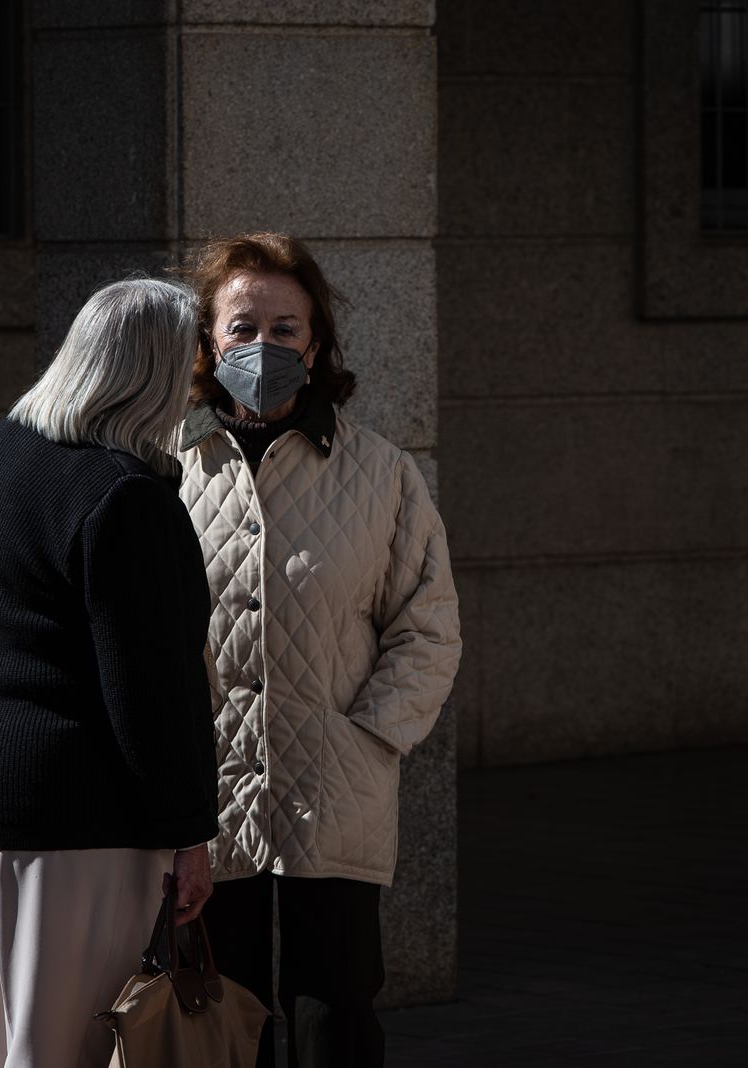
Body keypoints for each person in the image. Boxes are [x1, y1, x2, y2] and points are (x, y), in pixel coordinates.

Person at [0, 278, 220, 1068]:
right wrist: (190, 836)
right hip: (77, 816)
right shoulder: (126, 495)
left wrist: (3, 659)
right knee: (61, 1052)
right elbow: (151, 697)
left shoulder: (0, 450)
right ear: (158, 376)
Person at [176, 232, 462, 1068]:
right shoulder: (168, 470)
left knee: (334, 1012)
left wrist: (367, 738)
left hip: (334, 791)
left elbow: (429, 623)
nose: (262, 347)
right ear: (207, 343)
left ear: (318, 341)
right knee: (218, 1021)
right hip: (205, 804)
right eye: (241, 327)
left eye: (285, 328)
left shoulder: (383, 474)